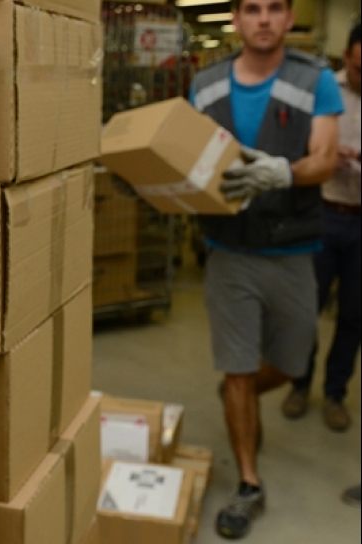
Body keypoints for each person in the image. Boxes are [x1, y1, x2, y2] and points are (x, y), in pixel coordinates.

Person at [189, 0, 343, 539]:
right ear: (235, 18)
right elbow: (188, 158)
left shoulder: (315, 79)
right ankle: (249, 482)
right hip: (228, 249)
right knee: (237, 367)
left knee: (292, 361)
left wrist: (283, 171)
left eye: (275, 7)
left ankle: (242, 395)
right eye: (252, 8)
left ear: (289, 17)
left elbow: (325, 158)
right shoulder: (205, 84)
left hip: (291, 249)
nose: (263, 19)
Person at [281, 24, 361, 432]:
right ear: (346, 57)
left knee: (354, 314)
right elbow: (296, 147)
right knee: (306, 309)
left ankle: (335, 393)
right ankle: (299, 384)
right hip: (324, 214)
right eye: (360, 68)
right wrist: (329, 156)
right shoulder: (324, 91)